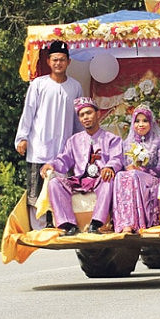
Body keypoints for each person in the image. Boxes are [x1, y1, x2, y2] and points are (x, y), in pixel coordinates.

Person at [14, 40, 83, 229]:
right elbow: (28, 112)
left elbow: (78, 119)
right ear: (48, 61)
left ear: (68, 62)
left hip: (63, 150)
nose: (58, 63)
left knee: (61, 188)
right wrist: (22, 138)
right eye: (55, 60)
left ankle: (60, 224)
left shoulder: (75, 87)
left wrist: (81, 143)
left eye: (62, 60)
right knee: (36, 190)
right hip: (39, 147)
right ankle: (39, 228)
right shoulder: (38, 84)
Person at [40, 97, 123, 236]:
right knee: (54, 183)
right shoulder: (74, 140)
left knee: (108, 179)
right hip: (80, 180)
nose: (85, 117)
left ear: (98, 114)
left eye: (89, 113)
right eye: (82, 115)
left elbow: (117, 158)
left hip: (100, 179)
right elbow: (64, 160)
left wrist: (110, 167)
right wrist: (52, 165)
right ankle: (68, 225)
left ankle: (96, 224)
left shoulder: (112, 139)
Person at [111, 106, 160, 233]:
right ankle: (125, 224)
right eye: (137, 121)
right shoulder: (126, 143)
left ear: (151, 123)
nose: (141, 124)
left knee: (133, 175)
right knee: (120, 176)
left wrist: (143, 169)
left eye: (145, 121)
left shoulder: (159, 142)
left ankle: (138, 223)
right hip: (133, 177)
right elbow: (122, 164)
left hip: (154, 178)